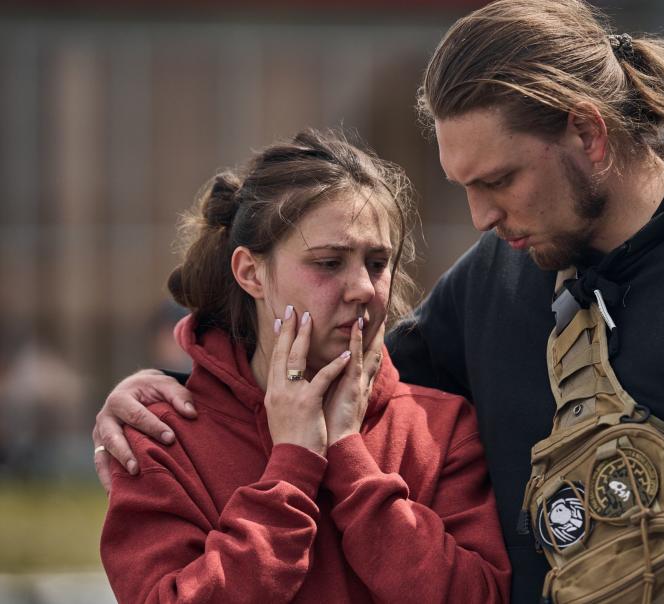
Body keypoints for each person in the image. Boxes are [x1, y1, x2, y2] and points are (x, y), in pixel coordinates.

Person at [93, 1, 664, 601]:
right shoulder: (498, 278)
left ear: (589, 135)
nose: (483, 217)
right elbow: (358, 385)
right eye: (464, 188)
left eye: (499, 181)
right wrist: (167, 387)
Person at [97, 129, 511, 603]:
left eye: (377, 263)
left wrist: (352, 465)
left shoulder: (442, 427)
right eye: (330, 263)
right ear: (250, 272)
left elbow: (479, 596)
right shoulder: (163, 439)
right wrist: (292, 466)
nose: (362, 288)